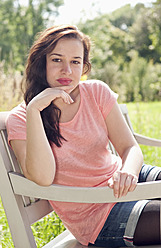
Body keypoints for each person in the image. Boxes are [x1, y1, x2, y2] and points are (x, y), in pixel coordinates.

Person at [6, 24, 161, 247]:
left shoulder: (96, 92)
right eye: (57, 60)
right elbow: (42, 178)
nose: (67, 71)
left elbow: (130, 147)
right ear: (42, 63)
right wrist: (34, 110)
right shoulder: (21, 118)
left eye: (75, 61)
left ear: (84, 66)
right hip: (97, 215)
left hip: (123, 181)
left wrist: (128, 171)